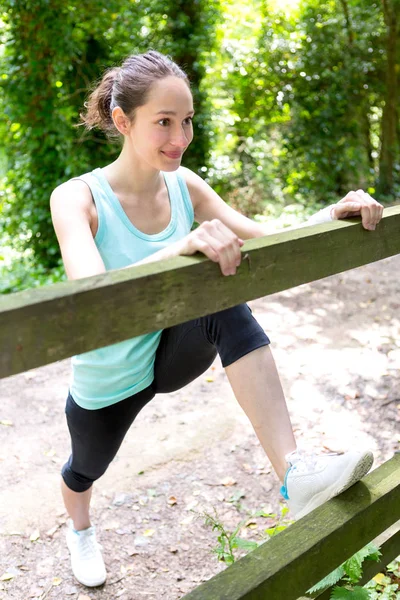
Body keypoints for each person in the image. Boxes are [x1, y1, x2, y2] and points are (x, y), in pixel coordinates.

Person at [50, 50, 383, 588]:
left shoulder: (186, 186)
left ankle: (293, 473)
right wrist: (181, 247)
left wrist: (331, 216)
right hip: (109, 378)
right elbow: (91, 291)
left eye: (186, 121)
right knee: (83, 469)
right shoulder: (77, 198)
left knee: (220, 295)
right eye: (164, 121)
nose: (179, 136)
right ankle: (81, 530)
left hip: (172, 353)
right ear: (122, 121)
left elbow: (267, 239)